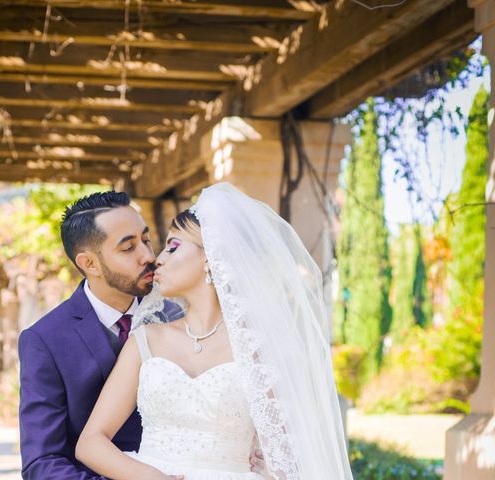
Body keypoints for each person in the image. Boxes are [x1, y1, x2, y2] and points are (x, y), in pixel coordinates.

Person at [76, 183, 354, 480]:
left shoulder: (260, 350)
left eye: (173, 246)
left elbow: (290, 455)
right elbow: (90, 443)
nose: (158, 258)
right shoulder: (146, 340)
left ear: (211, 256)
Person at [18, 191, 163, 479]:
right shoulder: (44, 340)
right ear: (89, 264)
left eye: (146, 240)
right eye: (128, 248)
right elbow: (42, 462)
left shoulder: (178, 314)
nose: (148, 256)